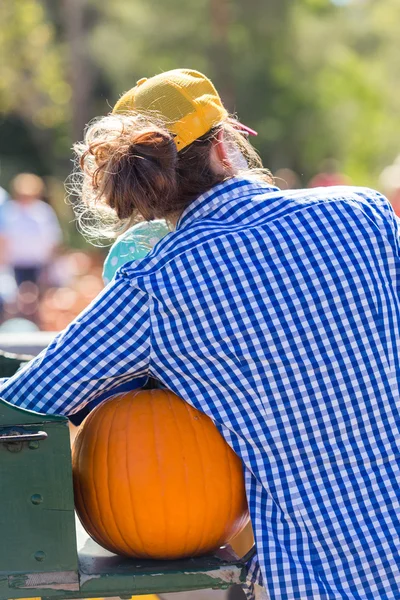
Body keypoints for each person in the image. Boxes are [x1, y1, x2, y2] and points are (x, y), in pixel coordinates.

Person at [1, 68, 400, 600]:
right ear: (224, 147)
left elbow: (26, 404)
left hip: (327, 576)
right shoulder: (363, 214)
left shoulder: (153, 287)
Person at [1, 173, 62, 287]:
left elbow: (53, 239)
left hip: (38, 263)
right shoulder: (9, 211)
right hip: (14, 264)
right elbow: (4, 238)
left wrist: (50, 264)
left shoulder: (43, 211)